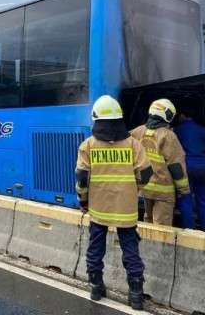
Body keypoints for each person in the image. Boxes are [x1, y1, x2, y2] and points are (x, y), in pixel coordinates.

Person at [76, 95, 153, 309]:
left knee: (95, 246)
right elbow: (146, 173)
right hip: (126, 209)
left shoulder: (88, 146)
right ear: (119, 119)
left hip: (98, 208)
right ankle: (136, 294)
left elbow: (82, 179)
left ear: (96, 120)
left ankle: (96, 287)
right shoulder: (133, 144)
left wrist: (84, 201)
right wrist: (134, 189)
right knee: (130, 249)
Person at [131, 99, 189, 226]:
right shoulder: (168, 136)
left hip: (145, 188)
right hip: (163, 191)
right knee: (161, 227)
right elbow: (176, 166)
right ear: (167, 116)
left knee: (148, 222)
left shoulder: (137, 132)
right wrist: (183, 189)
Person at [174, 108, 205, 232]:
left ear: (182, 115)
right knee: (204, 198)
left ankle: (189, 228)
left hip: (186, 168)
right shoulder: (203, 129)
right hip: (202, 167)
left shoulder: (178, 130)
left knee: (185, 198)